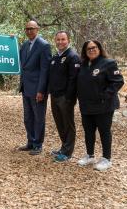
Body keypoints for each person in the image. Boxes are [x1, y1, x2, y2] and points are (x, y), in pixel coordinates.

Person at [76, 40, 124, 171]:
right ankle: (90, 155)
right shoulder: (83, 64)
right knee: (88, 131)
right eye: (88, 49)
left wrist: (104, 95)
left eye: (94, 47)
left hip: (104, 106)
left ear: (99, 48)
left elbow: (118, 81)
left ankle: (106, 159)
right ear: (85, 52)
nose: (91, 50)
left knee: (104, 131)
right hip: (86, 105)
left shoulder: (108, 63)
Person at [17, 20, 52, 155]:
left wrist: (41, 90)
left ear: (37, 29)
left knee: (38, 117)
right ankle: (30, 142)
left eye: (32, 28)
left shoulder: (44, 45)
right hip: (25, 87)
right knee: (28, 117)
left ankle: (38, 144)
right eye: (27, 29)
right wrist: (11, 40)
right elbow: (18, 59)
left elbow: (45, 70)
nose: (29, 31)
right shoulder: (25, 45)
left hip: (37, 89)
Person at [48, 31, 81, 162]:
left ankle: (67, 152)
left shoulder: (72, 56)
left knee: (68, 124)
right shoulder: (56, 56)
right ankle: (63, 147)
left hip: (65, 97)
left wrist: (69, 97)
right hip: (55, 95)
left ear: (68, 40)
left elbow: (74, 79)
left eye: (63, 39)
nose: (60, 42)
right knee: (60, 123)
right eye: (58, 39)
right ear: (55, 41)